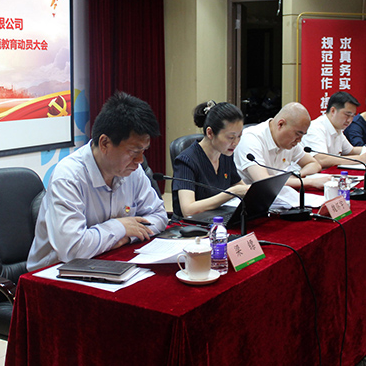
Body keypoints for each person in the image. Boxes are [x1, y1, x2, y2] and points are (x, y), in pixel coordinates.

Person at [27, 91, 168, 269]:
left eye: (143, 151)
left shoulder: (133, 171)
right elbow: (73, 250)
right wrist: (119, 227)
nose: (140, 160)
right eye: (134, 151)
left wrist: (126, 237)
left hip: (107, 262)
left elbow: (159, 216)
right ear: (104, 143)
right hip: (55, 273)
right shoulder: (68, 177)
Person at [172, 101, 250, 217]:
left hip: (217, 219)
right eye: (231, 137)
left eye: (239, 136)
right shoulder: (186, 161)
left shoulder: (225, 154)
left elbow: (238, 185)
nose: (236, 142)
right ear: (210, 133)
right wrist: (230, 193)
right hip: (190, 224)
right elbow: (188, 210)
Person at [234, 102, 327, 189]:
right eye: (297, 134)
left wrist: (297, 175)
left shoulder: (289, 142)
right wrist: (310, 182)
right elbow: (263, 181)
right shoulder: (251, 138)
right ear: (281, 124)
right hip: (248, 197)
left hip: (278, 194)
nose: (299, 140)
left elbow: (314, 164)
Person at [302, 91, 366, 168]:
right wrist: (360, 159)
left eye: (352, 116)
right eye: (347, 115)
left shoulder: (337, 128)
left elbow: (351, 151)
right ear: (333, 111)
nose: (349, 120)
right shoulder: (316, 128)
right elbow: (321, 159)